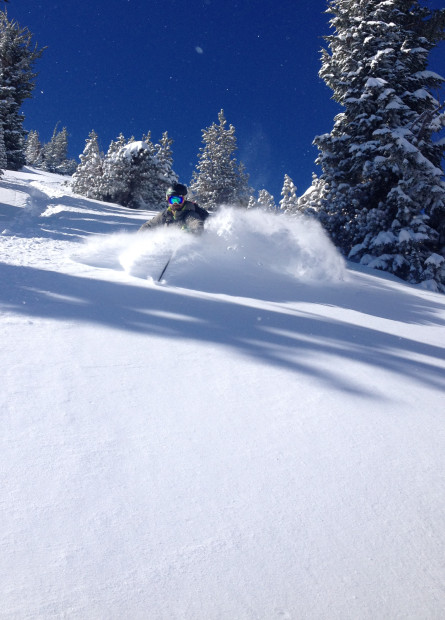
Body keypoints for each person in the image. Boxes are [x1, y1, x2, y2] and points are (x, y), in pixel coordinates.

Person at [138, 183, 209, 234]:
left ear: (184, 199)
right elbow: (148, 225)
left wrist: (191, 231)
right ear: (167, 200)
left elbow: (196, 223)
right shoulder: (165, 215)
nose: (175, 203)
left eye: (178, 200)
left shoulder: (189, 213)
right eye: (172, 200)